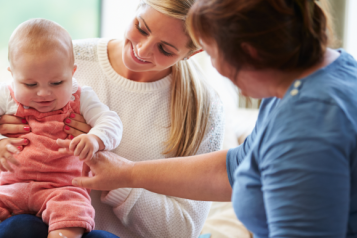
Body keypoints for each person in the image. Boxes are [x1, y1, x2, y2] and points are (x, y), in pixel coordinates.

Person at [65, 0, 357, 237]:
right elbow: (238, 165)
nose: (216, 69)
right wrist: (127, 173)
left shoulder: (310, 125)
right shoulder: (317, 73)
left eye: (213, 52)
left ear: (250, 53)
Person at [0, 0, 225, 237]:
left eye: (166, 49)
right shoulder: (56, 58)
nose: (142, 50)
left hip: (82, 219)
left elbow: (184, 230)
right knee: (19, 227)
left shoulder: (203, 108)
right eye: (141, 27)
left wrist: (120, 178)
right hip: (25, 217)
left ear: (193, 52)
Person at [0, 19, 123, 238]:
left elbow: (111, 122)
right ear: (12, 75)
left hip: (62, 188)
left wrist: (95, 139)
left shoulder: (82, 96)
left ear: (72, 73)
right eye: (31, 85)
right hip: (10, 187)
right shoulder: (5, 96)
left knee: (71, 213)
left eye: (56, 83)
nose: (44, 93)